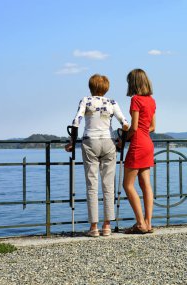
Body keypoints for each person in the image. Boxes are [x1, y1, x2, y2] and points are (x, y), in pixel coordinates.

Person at [65, 74, 129, 237]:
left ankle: (93, 227)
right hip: (108, 142)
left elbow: (76, 121)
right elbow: (125, 123)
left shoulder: (85, 101)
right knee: (109, 185)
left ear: (90, 87)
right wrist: (121, 140)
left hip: (90, 142)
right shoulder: (112, 102)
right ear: (106, 88)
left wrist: (72, 142)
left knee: (91, 184)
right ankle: (107, 225)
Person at [122, 69, 156, 234]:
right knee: (146, 185)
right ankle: (148, 223)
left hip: (137, 144)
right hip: (148, 143)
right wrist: (142, 131)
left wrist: (123, 139)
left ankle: (140, 223)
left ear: (133, 82)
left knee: (128, 185)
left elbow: (134, 127)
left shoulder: (136, 99)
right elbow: (153, 127)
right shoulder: (151, 100)